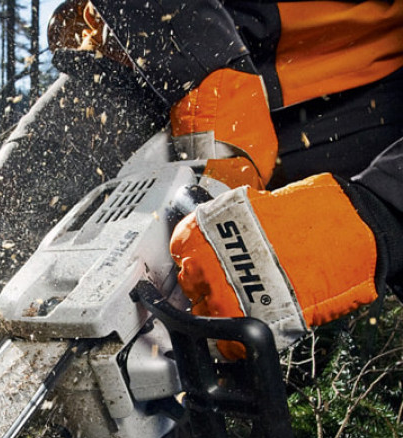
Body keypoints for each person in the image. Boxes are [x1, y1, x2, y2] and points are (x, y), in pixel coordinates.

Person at [48, 0, 403, 356]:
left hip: (279, 197)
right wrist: (206, 67)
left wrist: (379, 215)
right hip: (144, 74)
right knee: (15, 255)